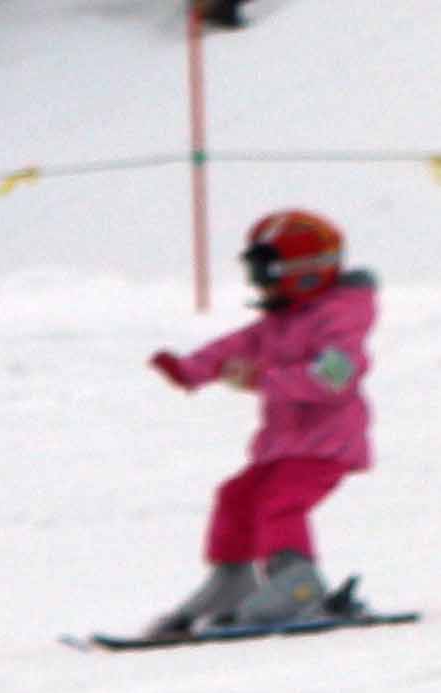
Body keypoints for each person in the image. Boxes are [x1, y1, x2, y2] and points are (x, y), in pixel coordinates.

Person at [144, 208, 378, 639]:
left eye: (265, 272)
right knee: (236, 496)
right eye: (254, 273)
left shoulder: (340, 317)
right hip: (284, 445)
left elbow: (336, 377)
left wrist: (263, 380)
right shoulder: (279, 322)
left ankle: (298, 582)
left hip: (327, 445)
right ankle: (233, 581)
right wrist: (192, 369)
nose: (258, 284)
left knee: (281, 501)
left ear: (304, 272)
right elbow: (233, 347)